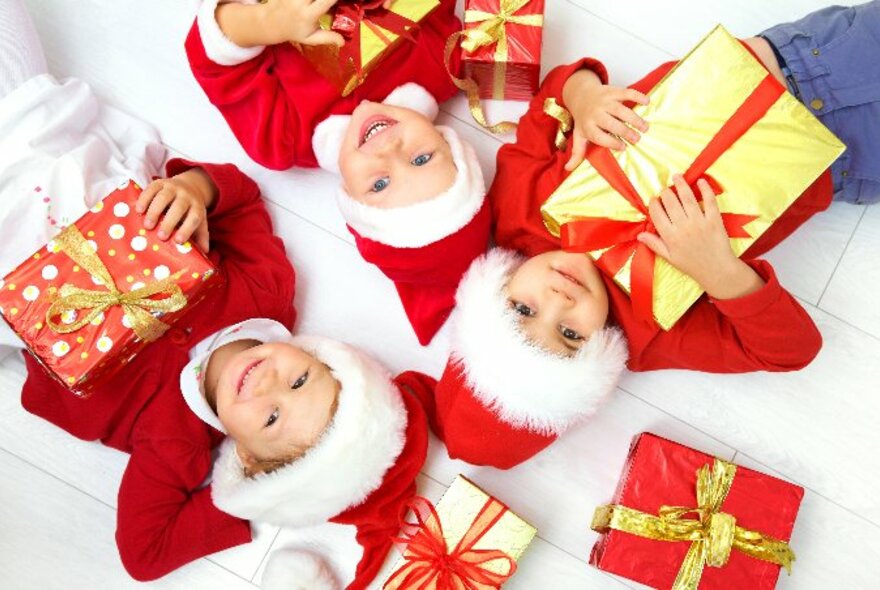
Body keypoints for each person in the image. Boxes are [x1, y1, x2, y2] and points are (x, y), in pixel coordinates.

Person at [423, 2, 880, 470]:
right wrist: (717, 270)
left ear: (492, 292)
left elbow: (553, 95)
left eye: (522, 310)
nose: (559, 298)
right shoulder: (651, 335)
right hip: (848, 158)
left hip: (802, 63)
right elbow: (791, 350)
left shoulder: (518, 210)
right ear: (593, 357)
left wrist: (585, 100)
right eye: (568, 334)